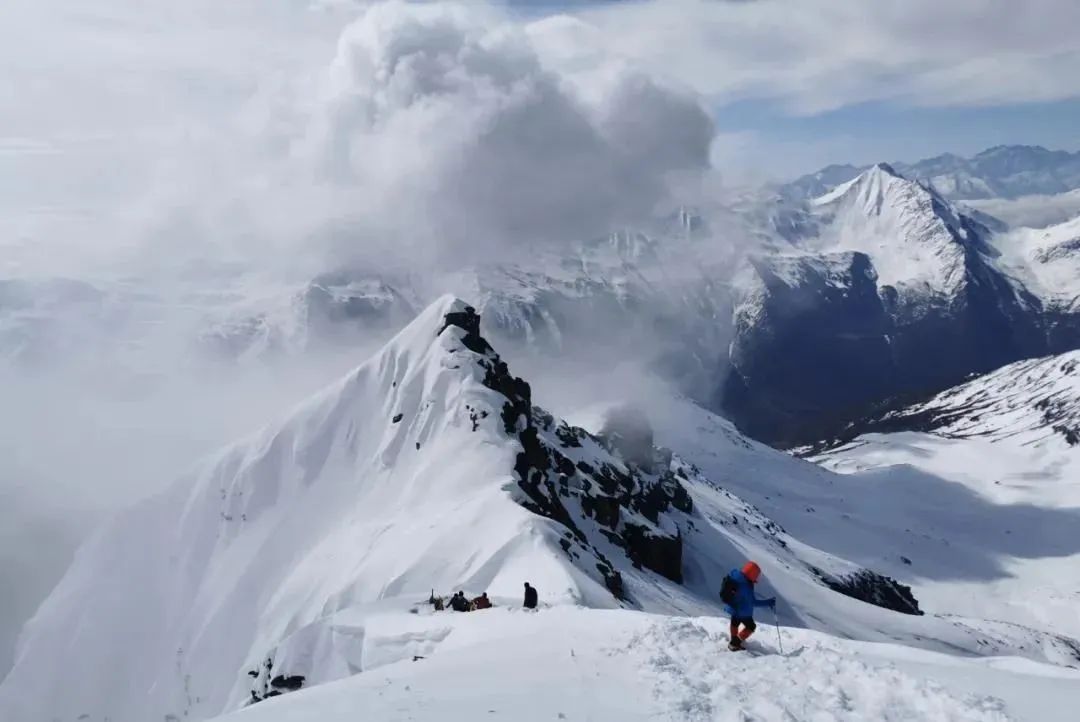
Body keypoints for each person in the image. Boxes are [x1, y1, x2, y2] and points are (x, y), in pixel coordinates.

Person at [721, 561, 775, 651]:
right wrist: (768, 602)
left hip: (732, 606)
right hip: (742, 610)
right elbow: (753, 602)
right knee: (751, 626)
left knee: (735, 622)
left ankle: (733, 639)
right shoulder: (746, 586)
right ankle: (734, 643)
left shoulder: (735, 575)